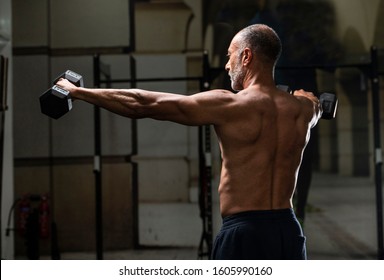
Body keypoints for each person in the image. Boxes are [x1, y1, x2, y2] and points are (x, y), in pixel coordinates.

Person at [56, 24, 322, 260]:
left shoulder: (229, 104)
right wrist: (309, 99)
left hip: (244, 233)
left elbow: (145, 103)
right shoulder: (303, 109)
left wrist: (78, 92)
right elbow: (317, 106)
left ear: (246, 56)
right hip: (288, 231)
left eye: (230, 55)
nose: (228, 65)